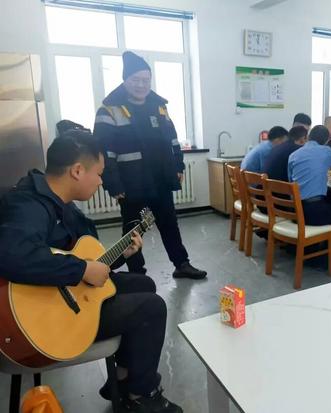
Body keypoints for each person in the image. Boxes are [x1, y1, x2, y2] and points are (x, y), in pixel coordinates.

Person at [0, 131, 182, 413]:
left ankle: (122, 378)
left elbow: (86, 260)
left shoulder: (64, 206)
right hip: (44, 321)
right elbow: (12, 256)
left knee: (143, 284)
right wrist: (82, 269)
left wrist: (120, 255)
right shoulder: (28, 204)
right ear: (77, 171)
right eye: (98, 174)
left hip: (67, 292)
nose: (101, 181)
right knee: (152, 307)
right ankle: (142, 394)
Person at [94, 51, 206, 280]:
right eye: (135, 79)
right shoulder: (109, 110)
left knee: (169, 224)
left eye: (146, 80)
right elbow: (104, 152)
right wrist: (113, 184)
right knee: (134, 230)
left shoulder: (159, 107)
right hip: (131, 183)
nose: (141, 85)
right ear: (125, 80)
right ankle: (137, 273)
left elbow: (173, 141)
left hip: (160, 179)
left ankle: (181, 264)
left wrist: (178, 167)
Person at [288, 125, 331, 226]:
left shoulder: (293, 155)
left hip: (294, 210)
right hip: (313, 210)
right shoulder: (327, 151)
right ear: (326, 141)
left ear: (308, 137)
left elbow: (290, 181)